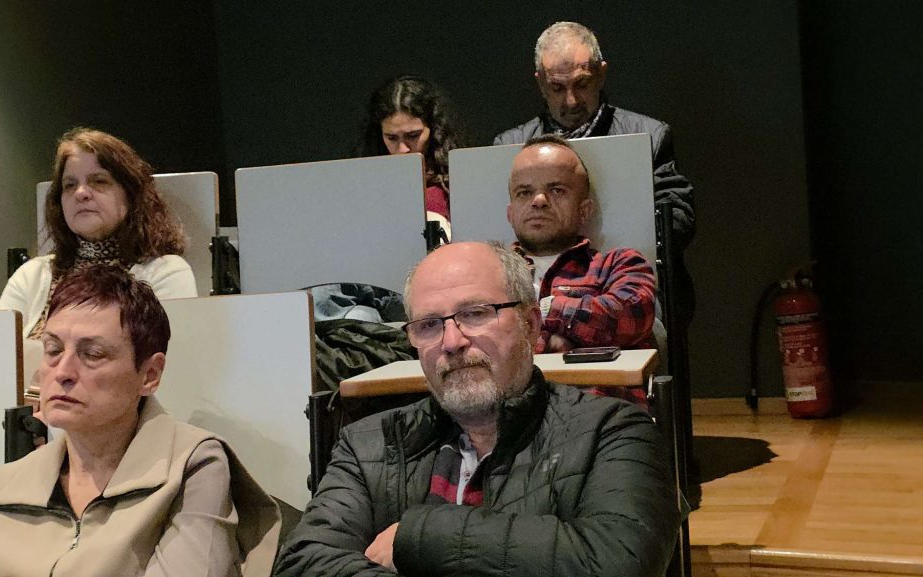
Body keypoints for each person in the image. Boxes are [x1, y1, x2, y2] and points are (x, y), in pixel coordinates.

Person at [274, 241, 680, 577]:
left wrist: (419, 536)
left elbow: (621, 563)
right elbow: (303, 562)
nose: (452, 342)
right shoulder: (368, 443)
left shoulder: (612, 432)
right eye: (429, 325)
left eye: (475, 314)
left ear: (531, 325)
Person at [0, 264, 280, 577]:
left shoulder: (192, 465)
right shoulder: (2, 484)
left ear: (149, 375)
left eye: (92, 354)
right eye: (53, 349)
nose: (63, 372)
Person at [494, 21, 694, 327]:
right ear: (540, 83)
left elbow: (677, 219)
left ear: (601, 73)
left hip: (627, 286)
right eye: (557, 88)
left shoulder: (649, 135)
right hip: (538, 289)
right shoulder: (509, 146)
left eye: (582, 84)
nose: (571, 100)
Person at [0, 127, 197, 340]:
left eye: (99, 181)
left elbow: (168, 356)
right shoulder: (31, 276)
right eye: (70, 185)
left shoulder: (165, 273)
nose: (81, 193)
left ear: (130, 195)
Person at [508, 135, 656, 354]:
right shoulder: (484, 272)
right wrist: (551, 341)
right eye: (524, 192)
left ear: (584, 210)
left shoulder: (619, 265)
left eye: (556, 190)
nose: (539, 201)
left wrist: (544, 311)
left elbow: (633, 316)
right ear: (510, 213)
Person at [356, 75, 464, 223]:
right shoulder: (366, 190)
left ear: (434, 130)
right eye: (392, 138)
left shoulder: (458, 185)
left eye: (413, 136)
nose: (402, 149)